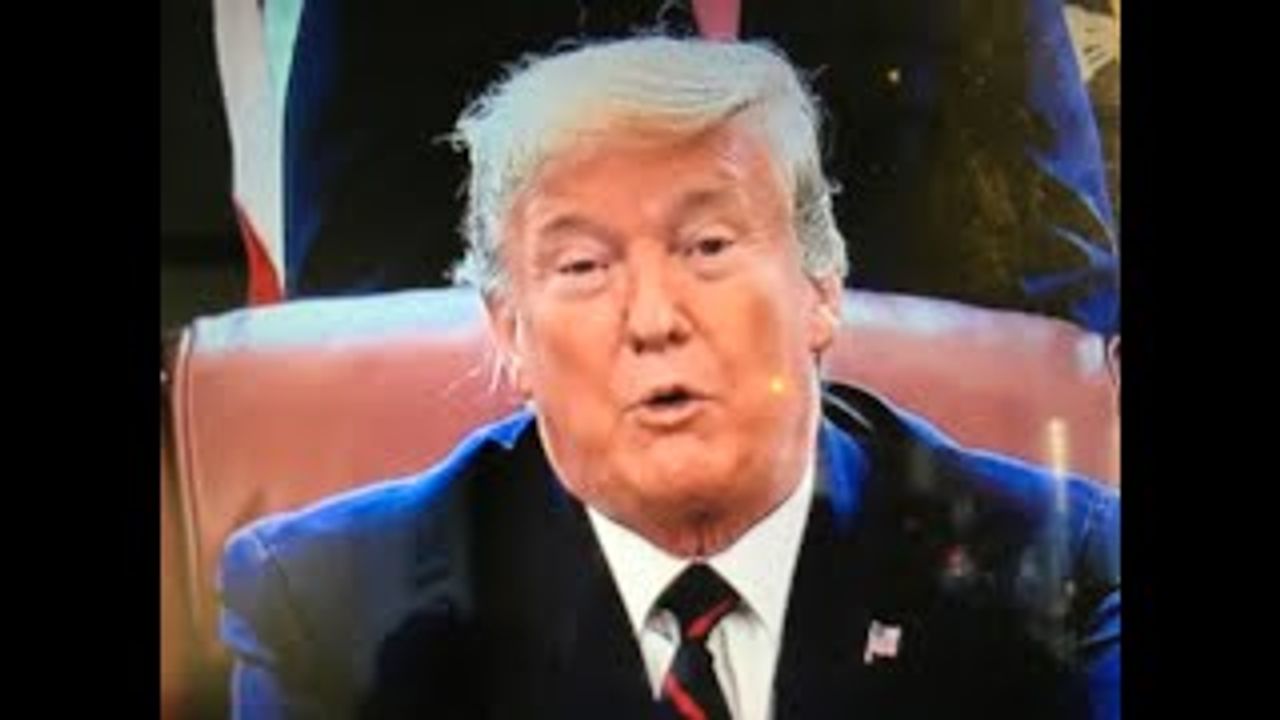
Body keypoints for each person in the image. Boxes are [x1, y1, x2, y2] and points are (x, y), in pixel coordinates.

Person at [219, 35, 1119, 719]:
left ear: (820, 287)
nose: (653, 319)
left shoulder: (1057, 568)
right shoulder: (323, 608)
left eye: (708, 246)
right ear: (509, 334)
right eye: (583, 266)